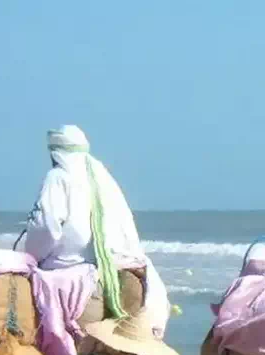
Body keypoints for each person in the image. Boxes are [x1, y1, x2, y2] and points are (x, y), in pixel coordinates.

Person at [23, 124, 170, 335]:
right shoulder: (102, 177)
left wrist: (31, 257)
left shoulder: (57, 177)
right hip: (113, 270)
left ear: (55, 153)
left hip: (72, 274)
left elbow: (45, 226)